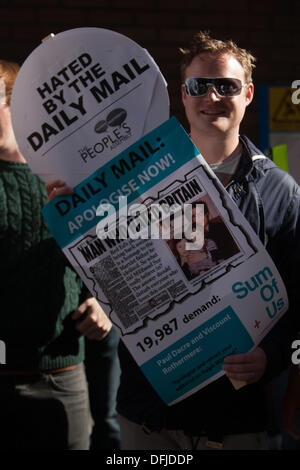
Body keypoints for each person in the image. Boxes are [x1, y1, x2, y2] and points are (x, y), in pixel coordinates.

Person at [116, 31, 300, 450]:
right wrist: (72, 209)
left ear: (249, 93)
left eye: (227, 86)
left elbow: (297, 300)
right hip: (149, 416)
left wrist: (270, 356)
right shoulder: (137, 182)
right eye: (200, 86)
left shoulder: (282, 192)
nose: (212, 97)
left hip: (236, 420)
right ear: (183, 95)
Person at [0, 59, 112, 450]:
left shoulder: (69, 174)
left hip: (62, 371)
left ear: (18, 106)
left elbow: (104, 251)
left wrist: (102, 301)